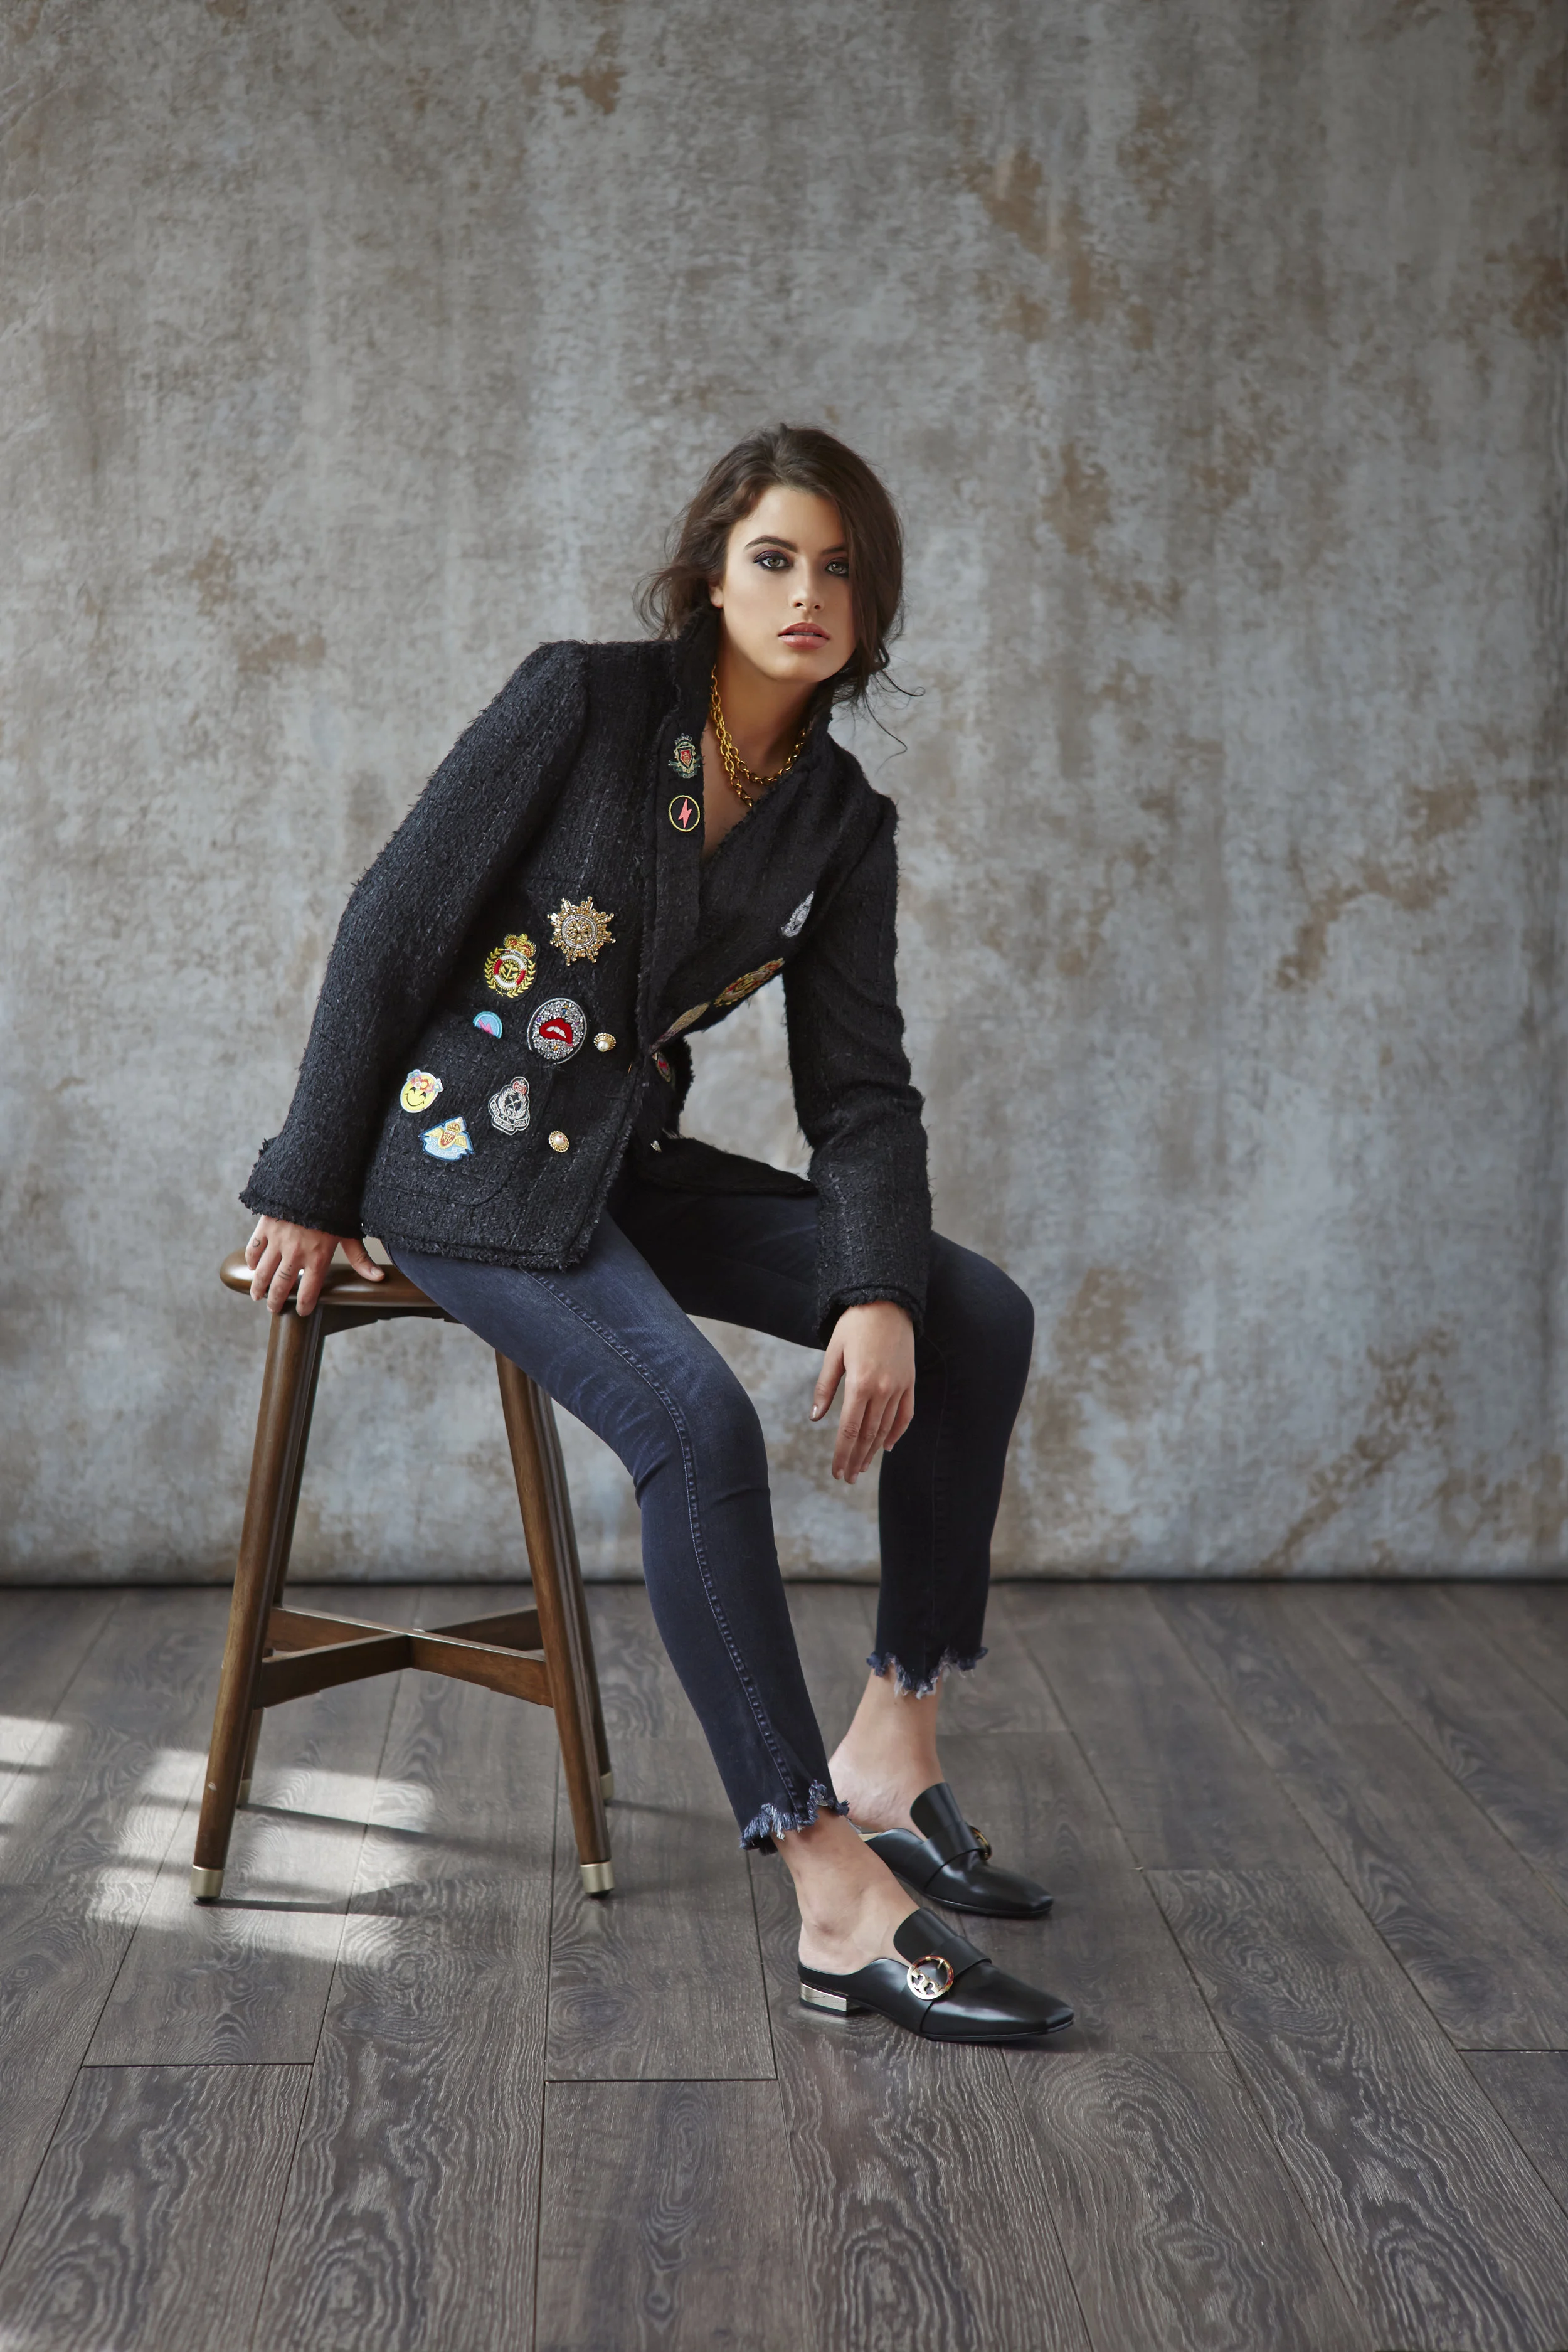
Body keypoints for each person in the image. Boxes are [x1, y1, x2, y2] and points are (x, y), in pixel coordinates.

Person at [241, 424, 1072, 2045]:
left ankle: (891, 1741)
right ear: (713, 570)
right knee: (693, 1423)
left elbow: (860, 1090)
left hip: (626, 1165)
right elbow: (391, 919)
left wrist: (878, 1283)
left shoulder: (840, 819)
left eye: (840, 567)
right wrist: (305, 1181)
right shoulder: (588, 699)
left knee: (978, 1311)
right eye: (774, 556)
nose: (806, 590)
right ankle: (830, 1887)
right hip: (457, 1167)